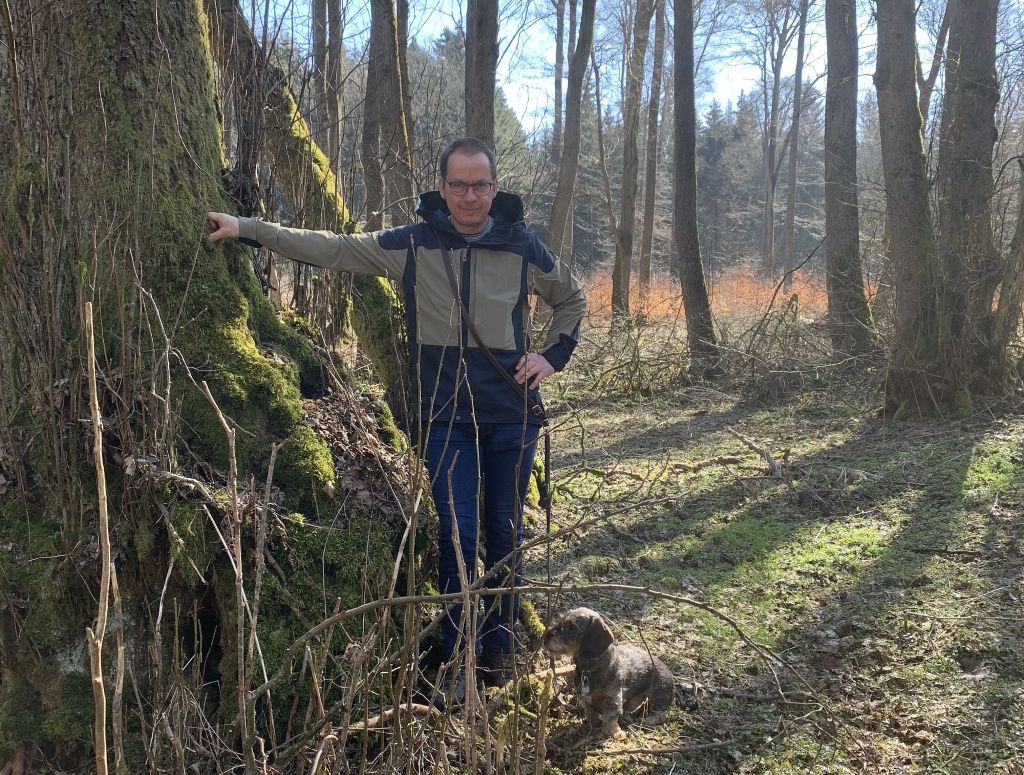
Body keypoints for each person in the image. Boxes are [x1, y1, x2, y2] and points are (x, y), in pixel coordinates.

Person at [207, 137, 586, 702]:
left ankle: (501, 649)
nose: (470, 196)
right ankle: (459, 658)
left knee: (506, 536)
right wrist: (251, 228)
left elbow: (573, 301)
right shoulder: (410, 245)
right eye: (458, 184)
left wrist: (549, 358)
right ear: (441, 188)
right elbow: (334, 248)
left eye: (481, 185)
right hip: (445, 420)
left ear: (495, 188)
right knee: (459, 536)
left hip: (512, 417)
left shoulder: (523, 247)